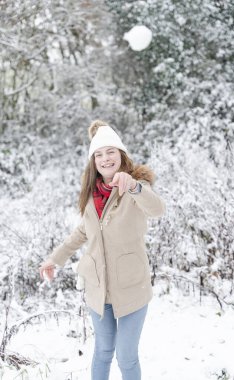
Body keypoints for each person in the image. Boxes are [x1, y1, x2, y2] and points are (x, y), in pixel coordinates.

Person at [39, 120, 165, 380]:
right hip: (98, 287)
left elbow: (157, 209)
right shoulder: (91, 193)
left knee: (126, 356)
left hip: (131, 286)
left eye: (110, 152)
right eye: (99, 154)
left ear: (121, 154)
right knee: (103, 351)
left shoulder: (136, 184)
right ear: (93, 161)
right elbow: (83, 231)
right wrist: (55, 259)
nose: (105, 159)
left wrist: (133, 187)